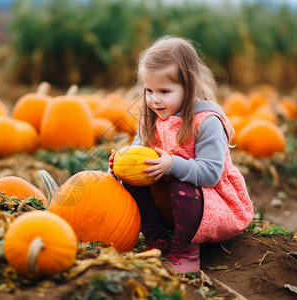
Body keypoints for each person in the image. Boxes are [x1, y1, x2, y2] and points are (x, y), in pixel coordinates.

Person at [108, 36, 254, 274]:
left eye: (164, 91)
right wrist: (120, 166)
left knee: (180, 184)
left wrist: (172, 164)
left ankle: (185, 251)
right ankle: (158, 241)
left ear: (189, 87)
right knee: (133, 180)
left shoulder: (206, 122)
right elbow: (137, 155)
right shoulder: (150, 118)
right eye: (149, 90)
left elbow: (211, 173)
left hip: (212, 204)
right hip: (173, 206)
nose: (155, 99)